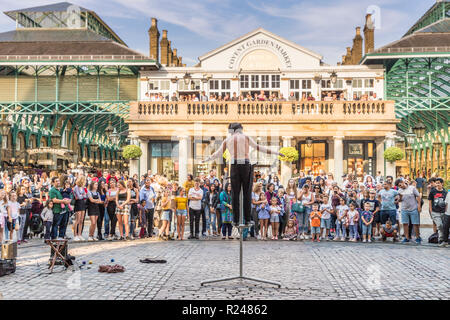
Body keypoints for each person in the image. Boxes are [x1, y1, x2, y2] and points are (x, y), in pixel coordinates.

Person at [203, 122, 283, 226]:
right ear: (240, 129)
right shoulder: (245, 137)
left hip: (234, 164)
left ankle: (235, 220)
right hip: (245, 164)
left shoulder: (228, 140)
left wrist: (207, 159)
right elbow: (259, 148)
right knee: (247, 193)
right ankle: (247, 219)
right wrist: (276, 152)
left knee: (235, 194)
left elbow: (217, 153)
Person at [396, 179, 422, 244]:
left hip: (413, 208)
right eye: (399, 186)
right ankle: (406, 237)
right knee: (405, 224)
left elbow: (418, 196)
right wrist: (399, 198)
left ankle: (418, 237)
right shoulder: (399, 190)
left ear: (402, 182)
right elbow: (400, 200)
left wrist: (419, 206)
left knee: (415, 224)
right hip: (404, 209)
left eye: (400, 185)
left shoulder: (412, 188)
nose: (400, 186)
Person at [428, 178, 447, 246]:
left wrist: (446, 212)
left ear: (442, 184)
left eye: (439, 183)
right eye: (436, 183)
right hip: (435, 212)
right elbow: (430, 201)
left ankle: (443, 239)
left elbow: (446, 203)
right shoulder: (433, 191)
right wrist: (431, 211)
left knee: (443, 226)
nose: (437, 184)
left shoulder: (445, 192)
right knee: (439, 225)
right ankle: (440, 239)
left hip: (443, 212)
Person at [73, 176, 87, 241]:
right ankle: (75, 235)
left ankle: (79, 234)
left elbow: (85, 195)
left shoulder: (83, 188)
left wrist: (82, 195)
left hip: (82, 203)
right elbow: (79, 196)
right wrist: (82, 195)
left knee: (81, 220)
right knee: (77, 220)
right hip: (78, 203)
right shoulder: (76, 187)